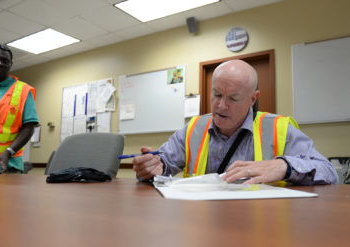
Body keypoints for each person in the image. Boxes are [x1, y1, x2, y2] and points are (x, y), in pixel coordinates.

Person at [133, 60, 338, 185]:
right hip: (200, 223)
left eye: (233, 98)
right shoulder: (194, 129)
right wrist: (152, 167)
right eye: (216, 94)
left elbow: (328, 172)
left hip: (263, 224)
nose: (221, 106)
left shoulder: (279, 128)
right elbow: (163, 166)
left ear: (253, 99)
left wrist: (285, 166)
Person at [0, 43, 39, 173]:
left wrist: (9, 152)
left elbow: (29, 127)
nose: (0, 63)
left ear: (10, 64)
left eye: (5, 61)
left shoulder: (23, 90)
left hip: (6, 165)